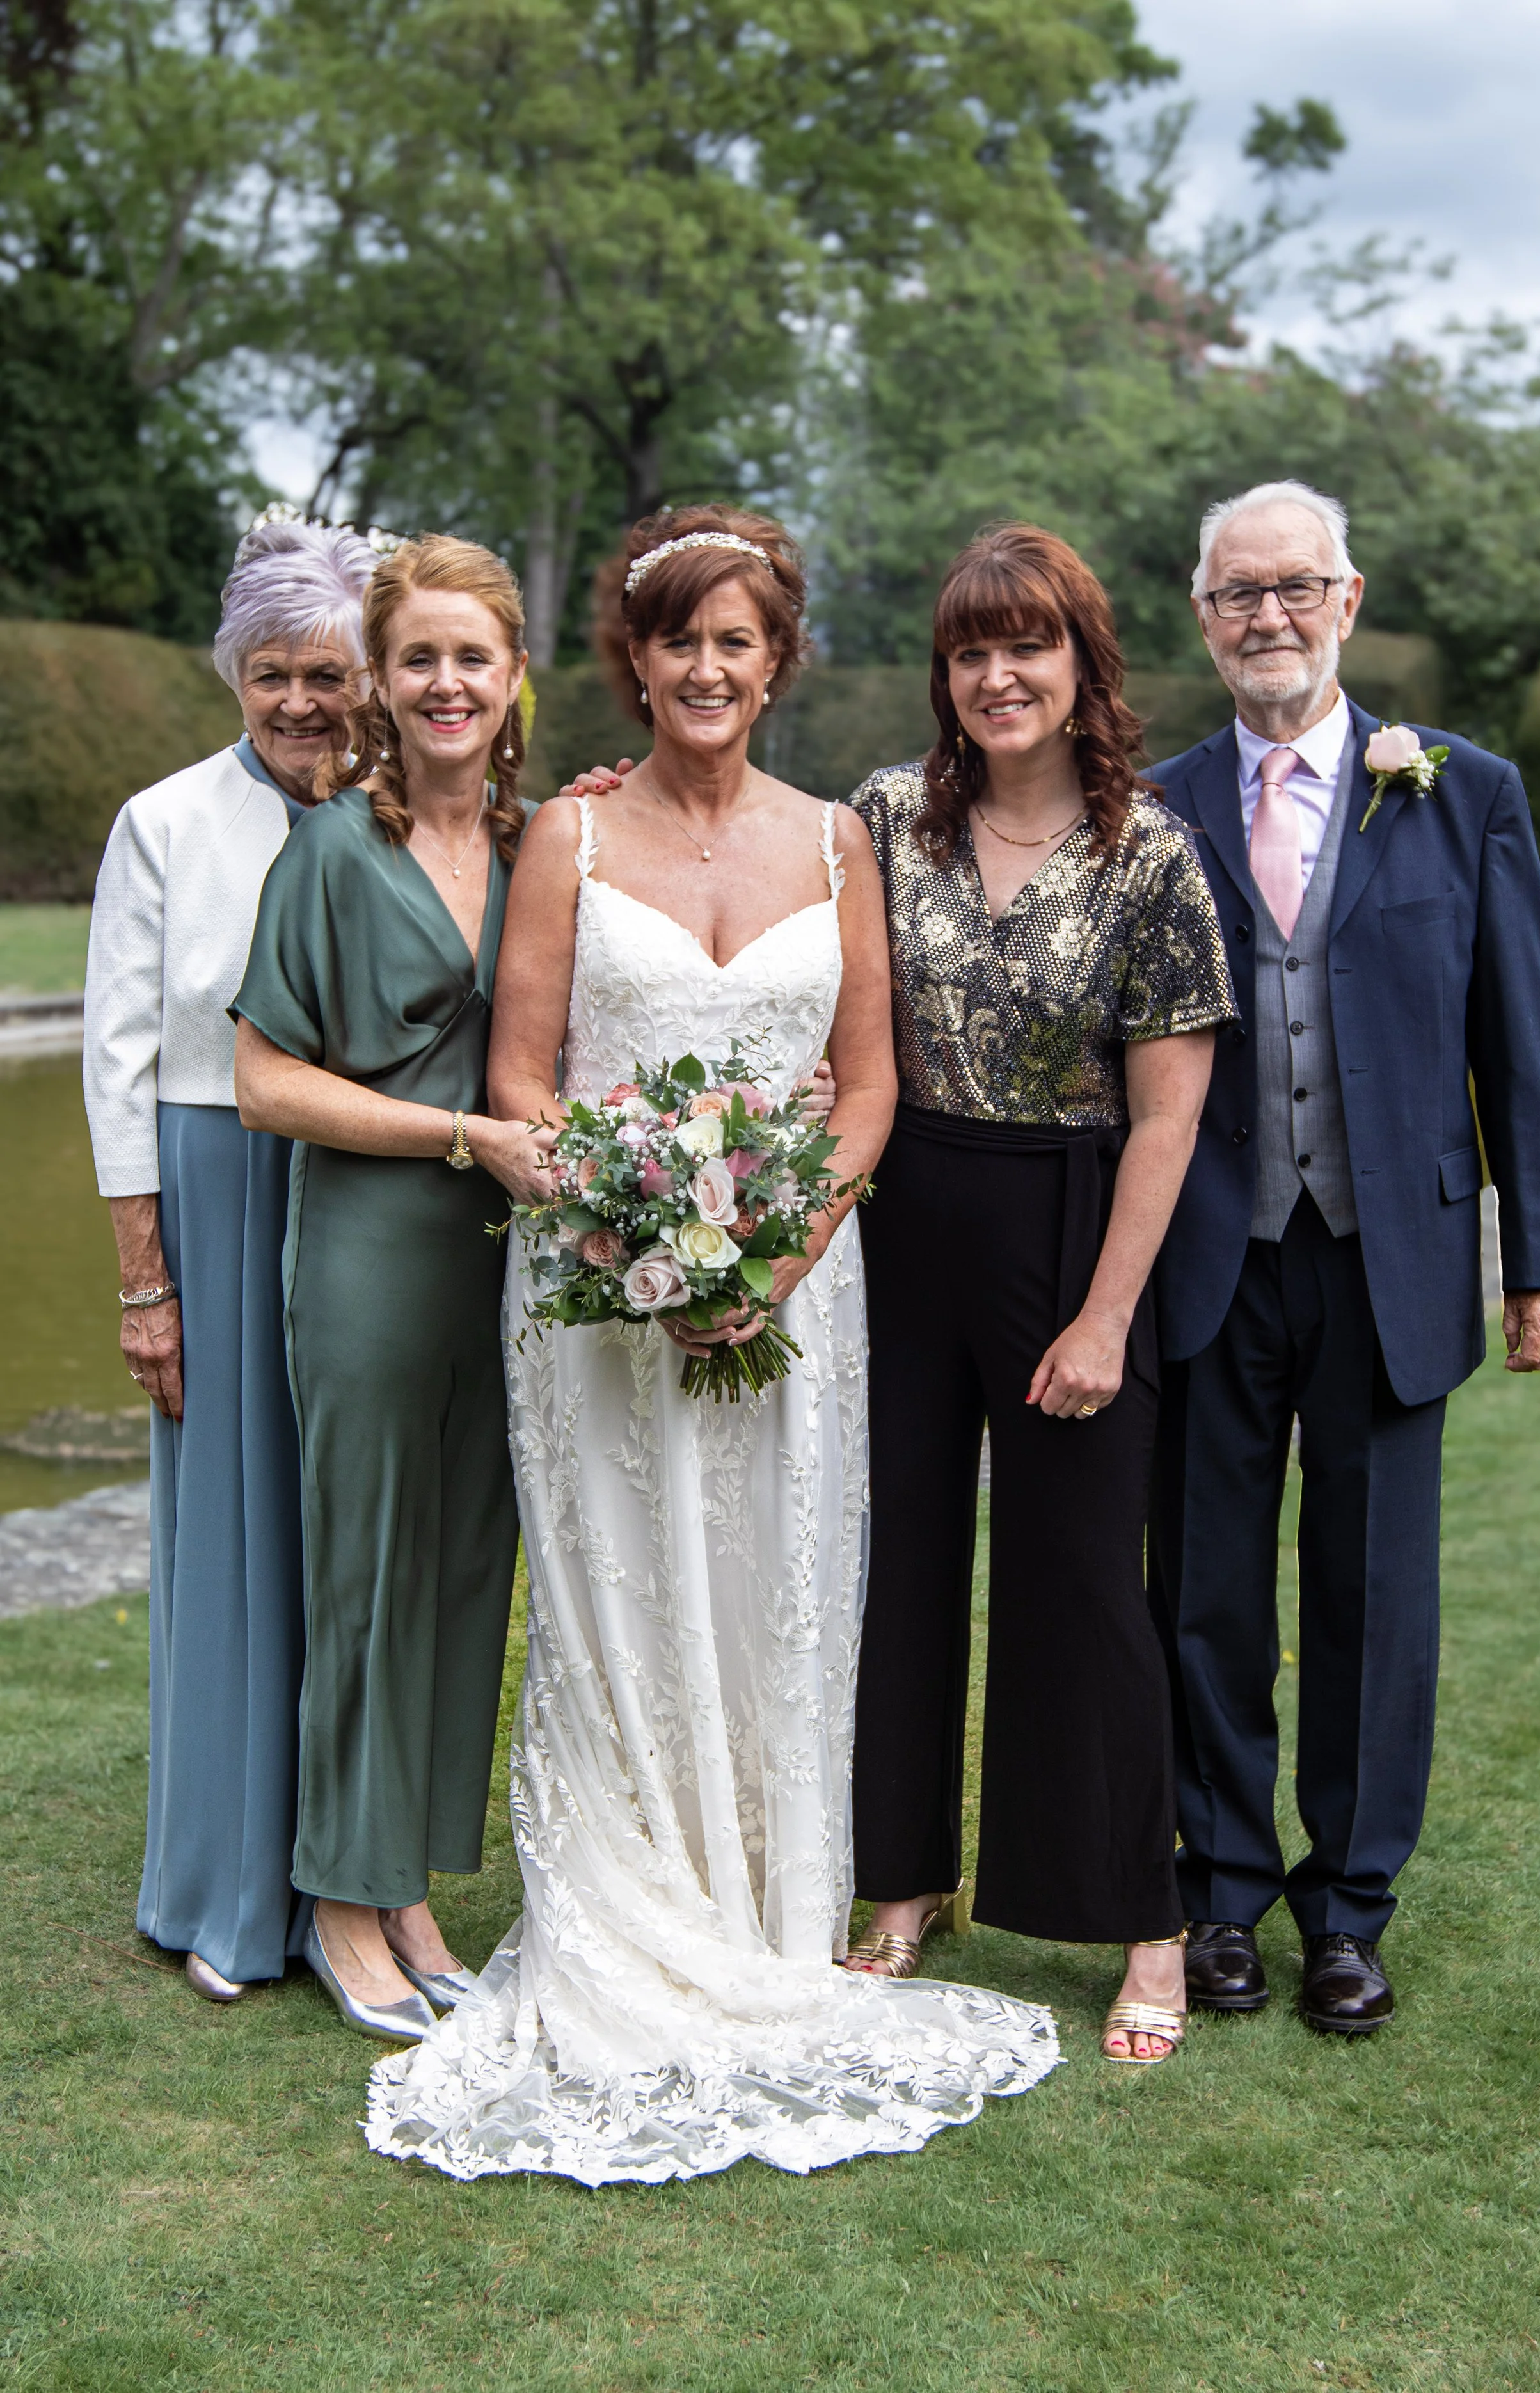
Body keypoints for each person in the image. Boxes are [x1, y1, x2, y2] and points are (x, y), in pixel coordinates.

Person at [364, 504, 1058, 2184]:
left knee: (771, 1596)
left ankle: (769, 1907)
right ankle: (623, 1912)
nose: (705, 666)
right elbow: (520, 1079)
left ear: (775, 660)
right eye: (677, 636)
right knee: (622, 1595)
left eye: (735, 638)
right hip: (599, 1293)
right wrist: (631, 1232)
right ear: (637, 658)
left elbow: (869, 1079)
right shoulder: (571, 843)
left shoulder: (839, 843)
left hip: (795, 1298)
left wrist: (779, 1243)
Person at [1147, 480, 1540, 2034]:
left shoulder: (1461, 793)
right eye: (1234, 593)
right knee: (1200, 1591)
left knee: (1371, 1594)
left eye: (1293, 587)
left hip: (1392, 1253)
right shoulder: (1153, 799)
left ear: (1344, 597)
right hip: (1204, 1257)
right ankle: (1216, 1897)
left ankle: (1346, 1908)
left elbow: (1513, 1043)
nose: (1265, 615)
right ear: (1202, 621)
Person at [837, 524, 1236, 2069]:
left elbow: (1169, 1118)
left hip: (1072, 1221)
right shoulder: (881, 818)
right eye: (967, 650)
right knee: (904, 1558)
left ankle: (1143, 1915)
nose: (997, 675)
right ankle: (904, 1879)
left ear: (1082, 664)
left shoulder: (1148, 852)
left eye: (1027, 646)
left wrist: (1102, 1315)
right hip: (902, 1211)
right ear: (944, 676)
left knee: (1081, 1582)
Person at [233, 534, 544, 2042]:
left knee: (464, 1567)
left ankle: (408, 1881)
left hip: (502, 1268)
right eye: (416, 657)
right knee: (361, 1569)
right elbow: (261, 1081)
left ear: (510, 675)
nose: (443, 683)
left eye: (469, 657)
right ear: (382, 677)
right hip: (367, 1248)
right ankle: (339, 1902)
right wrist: (458, 1132)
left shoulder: (544, 841)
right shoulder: (329, 851)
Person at [83, 509, 377, 2003]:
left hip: (370, 1191)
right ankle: (222, 1887)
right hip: (214, 1185)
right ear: (234, 677)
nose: (303, 704)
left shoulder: (405, 812)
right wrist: (148, 1283)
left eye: (329, 673)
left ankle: (352, 1885)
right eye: (274, 674)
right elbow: (118, 1062)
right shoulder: (165, 820)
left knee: (350, 1540)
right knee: (236, 1541)